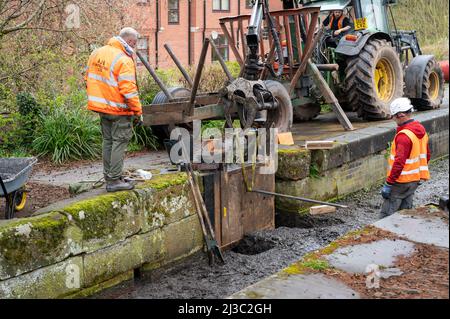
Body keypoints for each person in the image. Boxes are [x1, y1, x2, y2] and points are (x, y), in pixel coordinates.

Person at [85, 27, 143, 192]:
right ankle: (114, 180)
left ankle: (109, 176)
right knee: (120, 141)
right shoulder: (124, 59)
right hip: (119, 110)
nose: (136, 46)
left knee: (108, 141)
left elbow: (87, 78)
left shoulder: (97, 53)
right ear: (131, 41)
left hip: (102, 107)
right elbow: (129, 90)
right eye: (136, 43)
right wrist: (138, 111)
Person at [380, 98, 431, 217]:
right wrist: (418, 176)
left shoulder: (404, 136)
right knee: (406, 215)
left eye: (394, 116)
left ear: (401, 115)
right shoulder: (420, 130)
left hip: (400, 182)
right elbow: (427, 155)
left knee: (386, 217)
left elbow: (399, 162)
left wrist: (389, 183)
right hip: (414, 181)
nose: (393, 119)